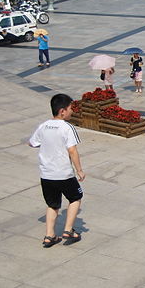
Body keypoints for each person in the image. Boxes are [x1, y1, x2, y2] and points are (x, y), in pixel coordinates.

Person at [28, 93, 85, 248]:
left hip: (46, 174)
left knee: (53, 204)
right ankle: (67, 230)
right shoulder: (67, 128)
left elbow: (32, 143)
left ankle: (49, 236)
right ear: (62, 111)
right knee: (75, 197)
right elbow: (72, 150)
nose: (72, 111)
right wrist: (79, 170)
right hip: (64, 174)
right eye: (70, 108)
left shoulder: (43, 126)